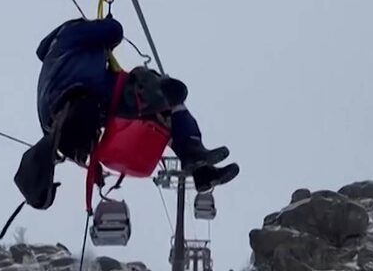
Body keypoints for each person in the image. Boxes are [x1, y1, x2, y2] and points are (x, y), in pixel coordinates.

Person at [15, 16, 238, 210]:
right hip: (85, 94)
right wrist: (104, 26)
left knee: (160, 116)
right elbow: (114, 30)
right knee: (152, 87)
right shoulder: (71, 32)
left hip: (70, 112)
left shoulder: (54, 62)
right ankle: (190, 148)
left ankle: (200, 169)